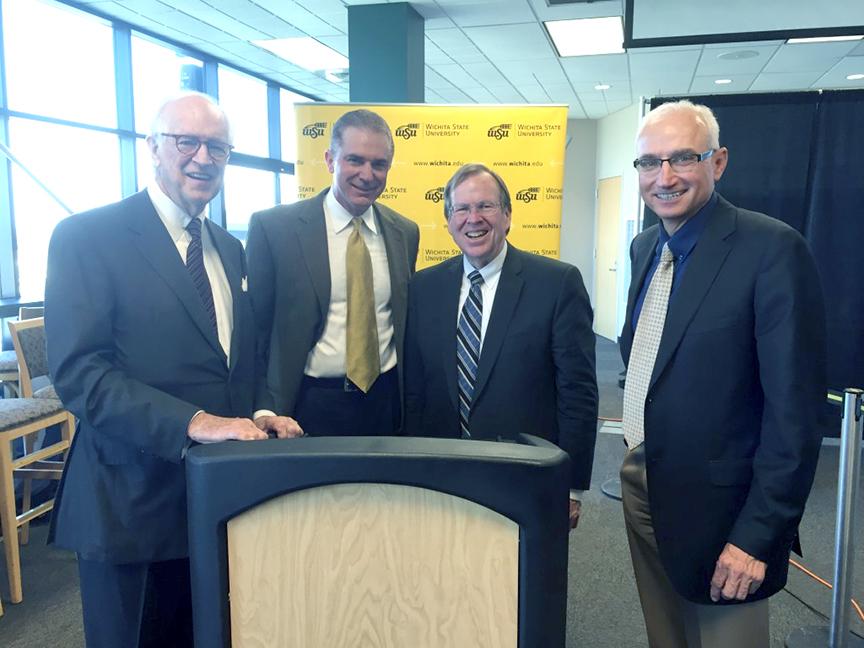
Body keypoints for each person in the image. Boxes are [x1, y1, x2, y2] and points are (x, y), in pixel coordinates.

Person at [45, 92, 302, 648]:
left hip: (215, 503)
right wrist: (194, 421)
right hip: (129, 505)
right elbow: (80, 373)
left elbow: (237, 362)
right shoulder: (87, 237)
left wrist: (259, 411)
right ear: (153, 148)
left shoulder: (229, 249)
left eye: (218, 147)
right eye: (187, 142)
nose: (202, 158)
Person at [619, 100, 826, 647]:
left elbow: (795, 414)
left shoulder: (771, 249)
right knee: (667, 634)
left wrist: (758, 536)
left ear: (719, 162)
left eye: (682, 158)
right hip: (646, 482)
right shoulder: (646, 248)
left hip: (725, 514)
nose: (664, 177)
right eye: (648, 162)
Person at [404, 163, 598, 528]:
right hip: (440, 476)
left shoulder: (556, 284)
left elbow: (578, 394)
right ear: (448, 220)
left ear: (507, 215)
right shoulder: (424, 288)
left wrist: (571, 487)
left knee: (521, 582)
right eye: (461, 209)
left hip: (524, 476)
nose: (473, 219)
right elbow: (415, 390)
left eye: (485, 206)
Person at [246, 108, 419, 437]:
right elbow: (256, 330)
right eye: (354, 160)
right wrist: (262, 408)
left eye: (378, 164)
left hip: (385, 403)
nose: (367, 174)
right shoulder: (275, 229)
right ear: (330, 160)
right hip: (308, 404)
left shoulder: (404, 233)